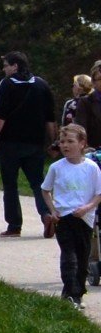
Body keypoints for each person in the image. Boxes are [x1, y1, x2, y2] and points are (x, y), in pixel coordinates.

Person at [0, 52, 56, 238]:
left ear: (15, 66)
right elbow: (50, 118)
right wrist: (54, 142)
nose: (4, 69)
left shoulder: (7, 84)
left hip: (10, 143)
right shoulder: (42, 84)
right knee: (38, 183)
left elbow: (0, 116)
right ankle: (47, 215)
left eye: (6, 65)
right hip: (36, 143)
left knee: (10, 185)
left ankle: (14, 226)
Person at [41, 123, 99, 303]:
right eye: (62, 141)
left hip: (84, 218)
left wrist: (87, 208)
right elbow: (45, 190)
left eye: (70, 141)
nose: (65, 145)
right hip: (64, 218)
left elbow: (99, 194)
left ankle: (78, 293)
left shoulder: (91, 167)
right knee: (69, 256)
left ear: (82, 143)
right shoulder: (56, 167)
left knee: (82, 257)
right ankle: (68, 295)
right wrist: (52, 210)